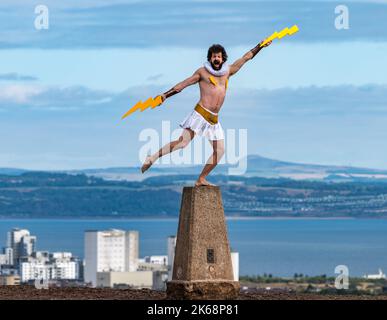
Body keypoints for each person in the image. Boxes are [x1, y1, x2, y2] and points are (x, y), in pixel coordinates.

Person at [141, 39, 272, 186]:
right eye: (214, 56)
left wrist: (260, 46)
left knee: (220, 151)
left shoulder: (228, 71)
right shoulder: (202, 72)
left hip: (214, 120)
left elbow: (246, 57)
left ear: (223, 58)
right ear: (210, 58)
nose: (216, 58)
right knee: (182, 143)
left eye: (219, 56)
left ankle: (201, 179)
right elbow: (182, 85)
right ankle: (152, 158)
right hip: (200, 114)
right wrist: (165, 95)